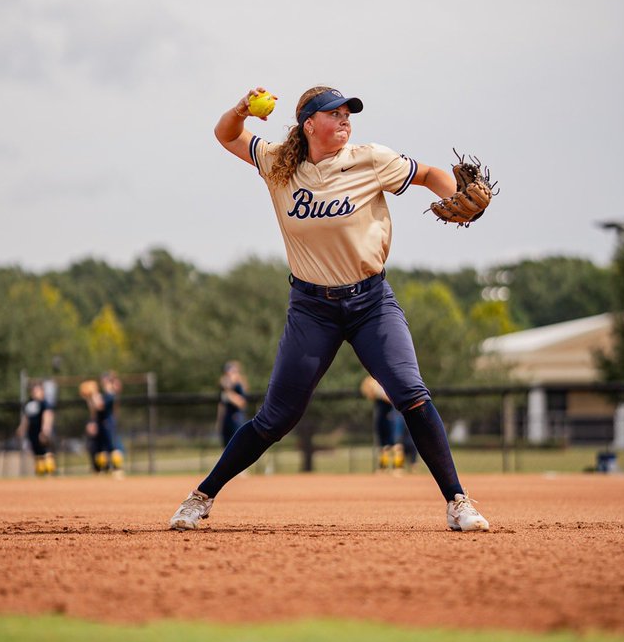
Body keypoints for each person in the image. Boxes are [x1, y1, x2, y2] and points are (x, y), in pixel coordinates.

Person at [169, 85, 489, 533]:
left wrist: (461, 198)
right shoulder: (279, 163)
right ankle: (200, 497)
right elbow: (226, 135)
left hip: (371, 303)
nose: (344, 120)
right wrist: (241, 109)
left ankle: (458, 501)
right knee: (275, 418)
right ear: (309, 125)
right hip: (311, 309)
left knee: (410, 393)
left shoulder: (370, 159)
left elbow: (430, 173)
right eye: (334, 114)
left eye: (347, 114)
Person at [81, 371, 126, 476]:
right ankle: (103, 470)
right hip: (100, 424)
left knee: (113, 447)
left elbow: (99, 405)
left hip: (108, 424)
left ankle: (117, 469)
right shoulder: (104, 395)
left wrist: (93, 394)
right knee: (101, 449)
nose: (103, 382)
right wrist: (89, 398)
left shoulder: (110, 395)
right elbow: (94, 409)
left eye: (105, 380)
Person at [17, 380, 56, 475]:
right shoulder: (29, 404)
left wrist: (45, 429)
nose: (34, 393)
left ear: (42, 391)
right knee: (37, 454)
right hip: (32, 432)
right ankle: (40, 475)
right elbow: (26, 418)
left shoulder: (44, 403)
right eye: (33, 391)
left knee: (46, 452)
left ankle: (50, 474)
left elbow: (48, 415)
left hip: (41, 431)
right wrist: (22, 428)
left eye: (37, 390)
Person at [217, 361, 249, 448]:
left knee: (237, 445)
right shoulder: (224, 388)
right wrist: (219, 420)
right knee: (226, 445)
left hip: (236, 419)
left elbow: (242, 403)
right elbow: (221, 404)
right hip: (226, 419)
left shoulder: (238, 386)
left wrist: (228, 392)